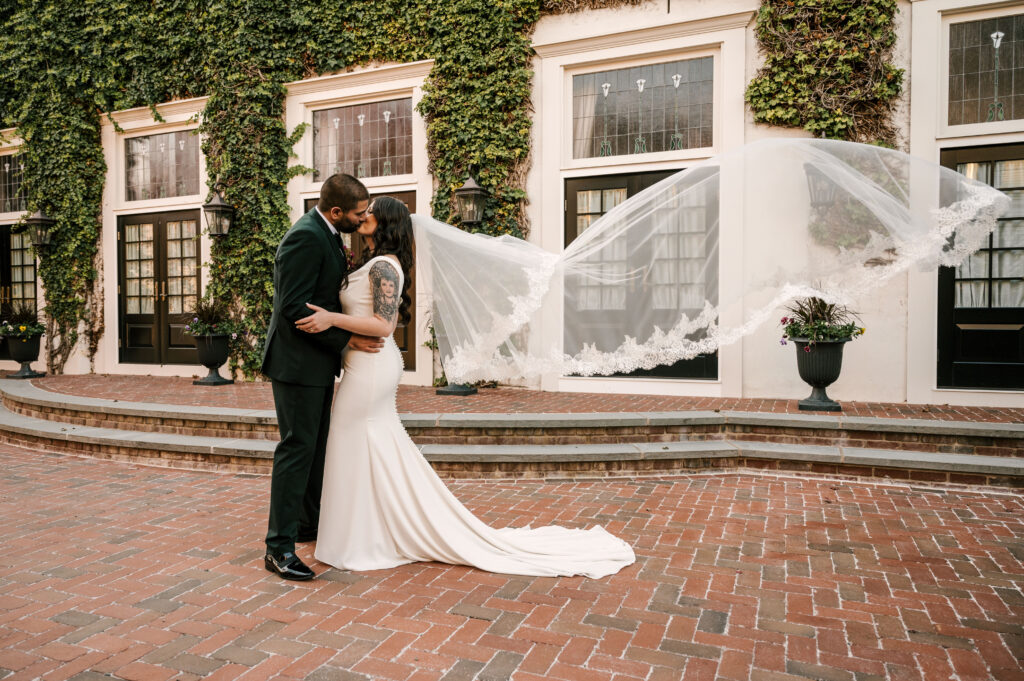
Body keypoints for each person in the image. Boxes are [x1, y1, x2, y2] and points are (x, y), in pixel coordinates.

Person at [295, 196, 635, 578]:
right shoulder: (371, 262)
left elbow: (384, 326)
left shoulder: (386, 268)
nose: (366, 214)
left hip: (373, 365)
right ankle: (366, 531)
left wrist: (331, 319)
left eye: (372, 211)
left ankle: (364, 538)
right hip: (363, 363)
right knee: (363, 444)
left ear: (386, 221)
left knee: (353, 439)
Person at [261, 174, 385, 581]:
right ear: (336, 212)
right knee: (297, 449)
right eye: (359, 213)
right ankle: (278, 548)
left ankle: (305, 526)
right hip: (296, 365)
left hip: (315, 364)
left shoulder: (329, 233)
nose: (364, 218)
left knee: (314, 450)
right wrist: (347, 338)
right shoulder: (305, 237)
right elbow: (293, 307)